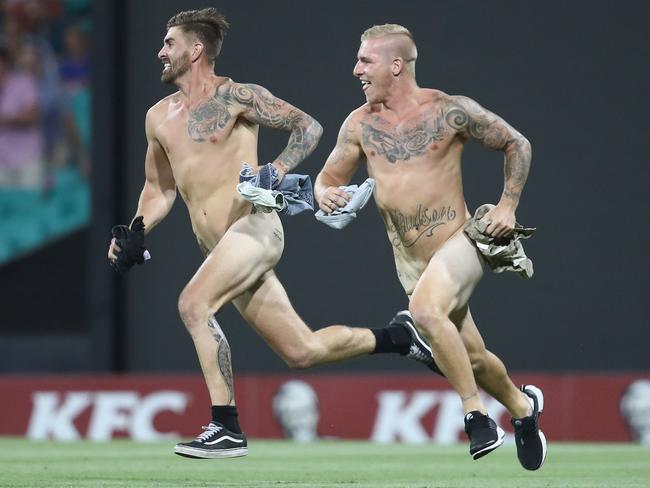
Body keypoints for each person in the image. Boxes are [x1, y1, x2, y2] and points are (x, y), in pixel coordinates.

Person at [107, 9, 435, 460]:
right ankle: (400, 337)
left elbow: (309, 126)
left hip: (255, 228)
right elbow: (158, 189)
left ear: (195, 50)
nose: (160, 51)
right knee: (302, 351)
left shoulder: (237, 96)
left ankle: (226, 426)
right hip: (221, 250)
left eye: (169, 43)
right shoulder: (158, 117)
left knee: (192, 304)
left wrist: (275, 169)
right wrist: (134, 231)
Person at [314, 24, 546, 470]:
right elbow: (330, 177)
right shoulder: (360, 124)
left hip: (464, 243)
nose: (356, 69)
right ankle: (522, 408)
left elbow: (517, 143)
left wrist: (507, 205)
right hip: (410, 263)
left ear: (396, 66)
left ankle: (476, 417)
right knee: (472, 356)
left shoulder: (448, 111)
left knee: (424, 314)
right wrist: (326, 192)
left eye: (366, 60)